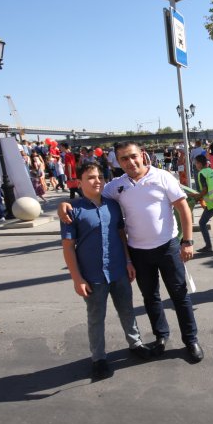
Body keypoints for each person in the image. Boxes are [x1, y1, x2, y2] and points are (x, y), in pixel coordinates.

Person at [59, 142, 204, 363]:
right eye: (124, 159)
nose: (130, 162)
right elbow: (91, 194)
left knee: (180, 296)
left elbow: (183, 207)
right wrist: (65, 204)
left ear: (142, 155)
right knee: (150, 298)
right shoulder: (115, 186)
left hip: (168, 248)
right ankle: (161, 336)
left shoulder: (163, 176)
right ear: (118, 161)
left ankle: (191, 340)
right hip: (138, 252)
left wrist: (188, 241)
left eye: (133, 156)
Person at [61, 162, 152, 381]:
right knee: (96, 318)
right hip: (93, 277)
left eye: (100, 176)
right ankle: (99, 358)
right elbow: (68, 248)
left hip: (118, 270)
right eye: (91, 177)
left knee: (127, 310)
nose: (97, 181)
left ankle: (135, 343)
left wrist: (129, 261)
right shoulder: (72, 210)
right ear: (79, 182)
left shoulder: (112, 205)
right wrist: (77, 279)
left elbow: (122, 236)